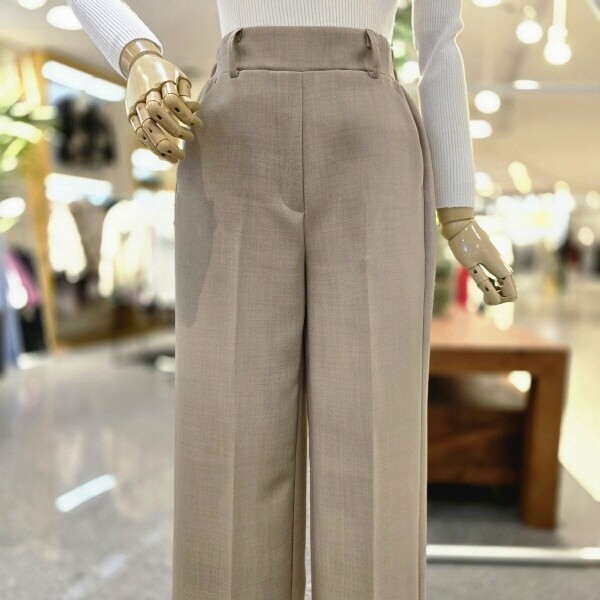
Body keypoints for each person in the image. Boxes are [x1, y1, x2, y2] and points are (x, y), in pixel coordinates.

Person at [67, 1, 517, 598]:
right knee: (228, 435)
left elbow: (439, 42)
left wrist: (457, 210)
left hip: (373, 134)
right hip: (233, 130)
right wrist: (135, 51)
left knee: (376, 437)